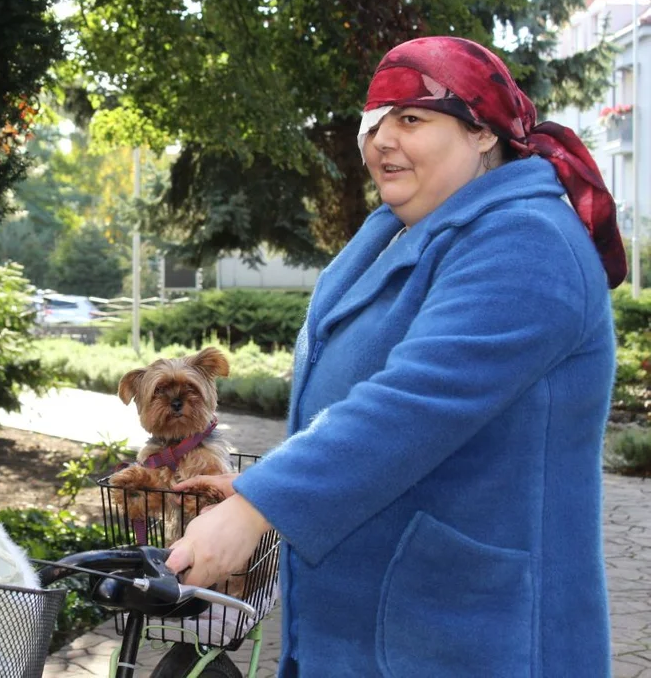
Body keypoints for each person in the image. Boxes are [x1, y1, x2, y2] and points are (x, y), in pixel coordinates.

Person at [166, 36, 625, 677]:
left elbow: (413, 403)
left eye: (411, 118)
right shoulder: (396, 231)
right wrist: (262, 487)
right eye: (376, 121)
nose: (382, 139)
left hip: (473, 637)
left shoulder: (527, 242)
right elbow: (353, 401)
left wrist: (257, 509)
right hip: (373, 626)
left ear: (483, 134)